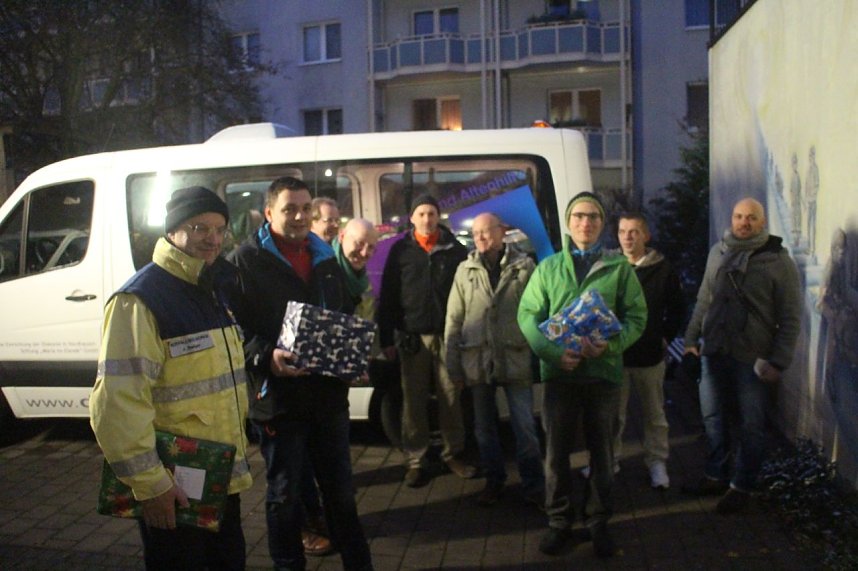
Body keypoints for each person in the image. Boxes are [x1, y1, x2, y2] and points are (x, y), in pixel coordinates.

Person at [90, 186, 252, 570]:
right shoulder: (140, 300)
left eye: (219, 228)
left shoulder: (212, 288)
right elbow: (117, 404)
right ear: (172, 232)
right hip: (172, 484)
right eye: (199, 227)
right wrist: (151, 484)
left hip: (217, 477)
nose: (212, 238)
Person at [228, 177, 373, 571]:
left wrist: (351, 357)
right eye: (289, 208)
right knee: (284, 495)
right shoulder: (245, 261)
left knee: (341, 494)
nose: (298, 216)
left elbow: (341, 315)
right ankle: (288, 566)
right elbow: (232, 330)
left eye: (305, 208)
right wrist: (265, 357)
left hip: (327, 397)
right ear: (269, 212)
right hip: (279, 400)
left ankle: (360, 564)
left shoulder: (326, 256)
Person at [517, 191, 646, 558]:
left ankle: (599, 522)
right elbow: (528, 315)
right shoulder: (548, 268)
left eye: (592, 217)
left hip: (602, 376)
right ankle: (559, 522)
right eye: (578, 216)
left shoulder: (618, 269)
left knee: (602, 455)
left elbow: (637, 317)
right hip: (560, 378)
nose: (585, 223)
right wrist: (553, 354)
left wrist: (613, 346)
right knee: (556, 455)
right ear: (568, 223)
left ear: (602, 224)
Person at [682, 197, 801, 514]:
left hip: (753, 356)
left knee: (751, 424)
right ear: (732, 219)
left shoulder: (778, 261)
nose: (743, 223)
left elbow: (791, 317)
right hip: (714, 349)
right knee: (712, 415)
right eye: (738, 216)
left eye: (751, 218)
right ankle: (716, 472)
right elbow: (704, 299)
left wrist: (779, 361)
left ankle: (743, 484)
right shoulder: (718, 251)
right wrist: (691, 339)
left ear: (762, 223)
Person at [444, 213, 545, 507]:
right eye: (476, 234)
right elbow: (454, 319)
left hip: (515, 356)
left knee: (525, 427)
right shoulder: (465, 270)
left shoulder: (524, 267)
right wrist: (453, 365)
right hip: (478, 358)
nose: (480, 239)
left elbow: (539, 312)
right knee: (484, 429)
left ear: (502, 232)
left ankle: (534, 484)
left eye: (486, 233)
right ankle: (494, 480)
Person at [377, 193, 476, 488]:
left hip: (448, 337)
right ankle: (416, 460)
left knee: (451, 399)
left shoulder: (454, 250)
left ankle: (452, 454)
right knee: (413, 400)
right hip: (412, 338)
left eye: (431, 213)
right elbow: (389, 295)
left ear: (438, 216)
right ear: (412, 218)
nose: (426, 219)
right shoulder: (401, 251)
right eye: (421, 214)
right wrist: (387, 337)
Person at [612, 212, 684, 489]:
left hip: (649, 355)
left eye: (634, 232)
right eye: (622, 232)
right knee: (613, 415)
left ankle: (657, 462)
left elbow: (677, 307)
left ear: (646, 236)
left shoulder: (663, 269)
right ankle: (610, 460)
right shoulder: (611, 268)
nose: (628, 237)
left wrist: (665, 336)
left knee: (654, 414)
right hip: (616, 354)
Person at [334, 218, 379, 321]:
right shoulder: (325, 273)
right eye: (360, 243)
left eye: (371, 247)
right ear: (341, 237)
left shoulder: (365, 282)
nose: (364, 253)